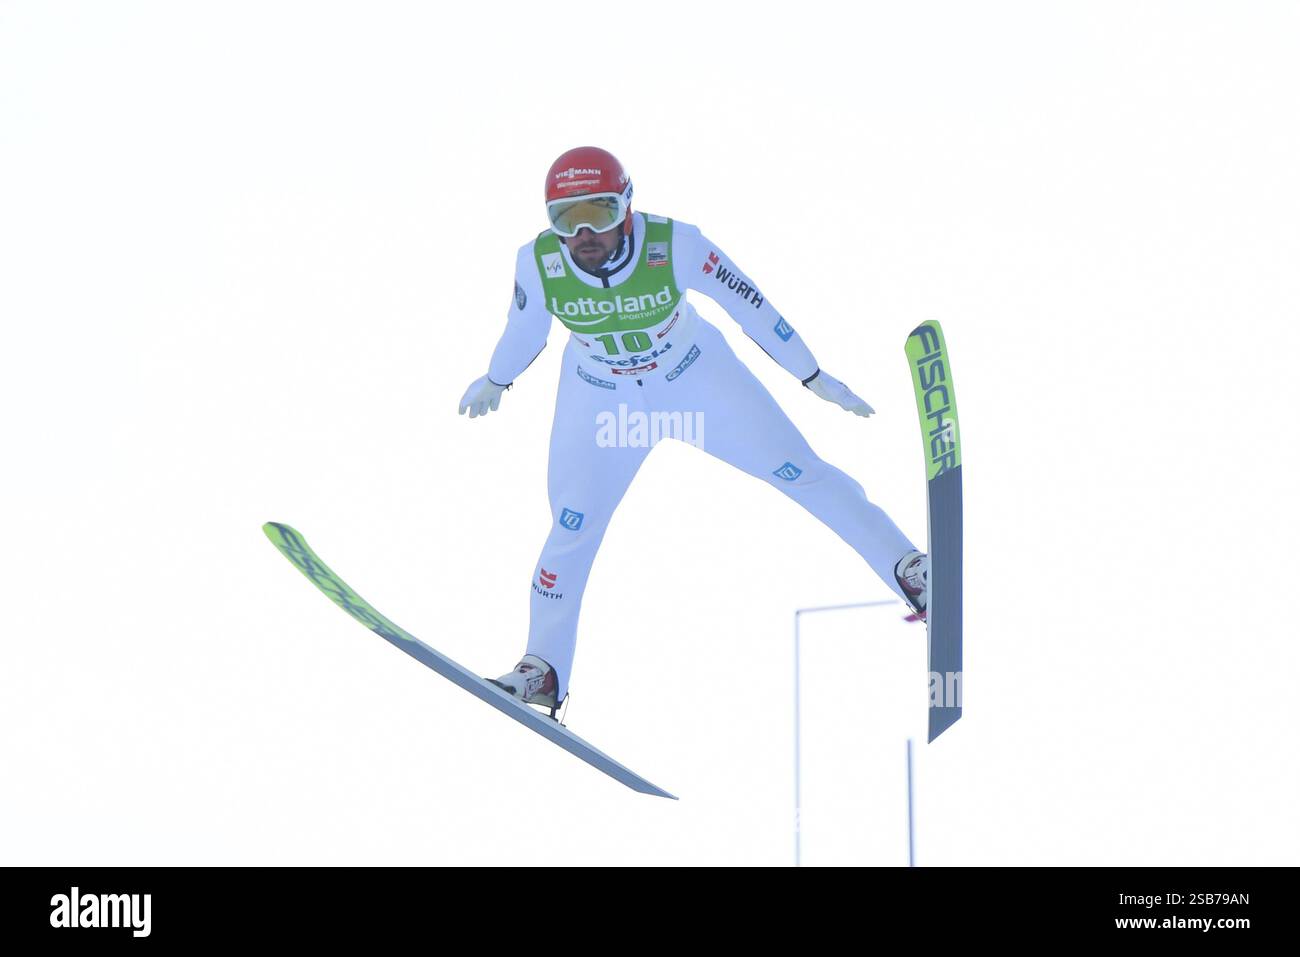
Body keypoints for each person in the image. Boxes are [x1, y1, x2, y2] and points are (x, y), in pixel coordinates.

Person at [459, 146, 929, 717]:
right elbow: (525, 328)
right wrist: (496, 378)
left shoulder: (675, 244)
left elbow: (751, 304)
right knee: (572, 527)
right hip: (604, 402)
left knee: (800, 472)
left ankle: (910, 570)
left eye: (600, 214)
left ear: (627, 208)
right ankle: (542, 669)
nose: (584, 233)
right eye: (566, 219)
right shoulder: (537, 262)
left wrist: (810, 374)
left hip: (694, 379)